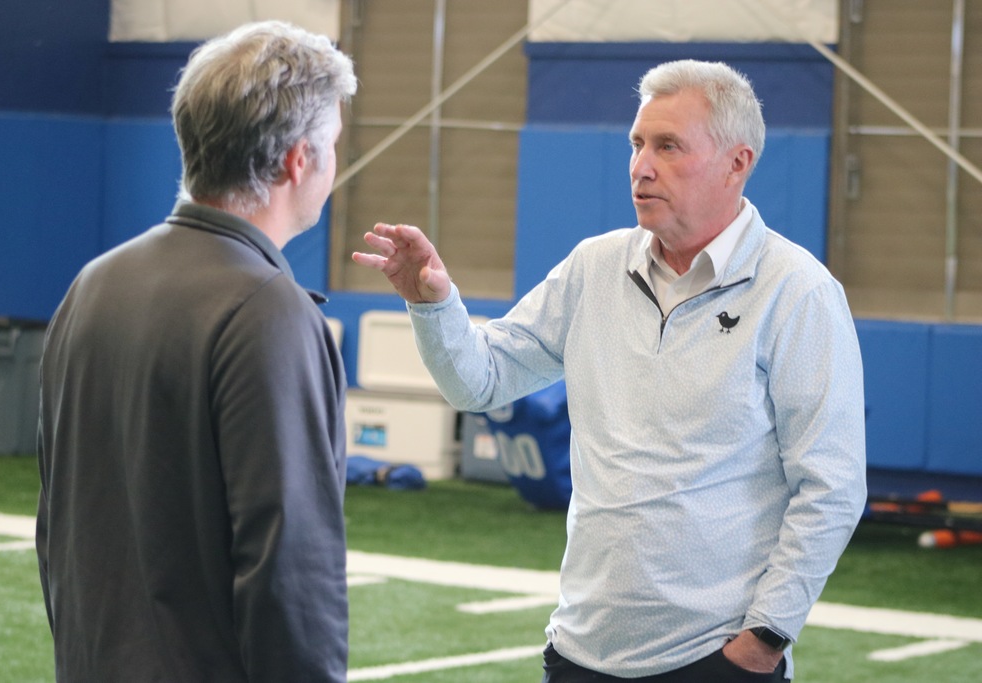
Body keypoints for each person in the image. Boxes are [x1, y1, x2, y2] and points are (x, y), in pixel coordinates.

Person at [354, 60, 866, 682]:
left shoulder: (798, 292)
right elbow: (480, 381)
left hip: (718, 660)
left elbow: (832, 487)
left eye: (668, 146)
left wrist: (763, 640)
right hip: (579, 651)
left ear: (739, 163)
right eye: (637, 144)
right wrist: (432, 303)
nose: (641, 165)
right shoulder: (593, 268)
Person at [36, 21, 356, 682]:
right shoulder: (267, 309)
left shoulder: (94, 283)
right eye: (331, 145)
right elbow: (290, 569)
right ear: (299, 159)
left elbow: (57, 524)